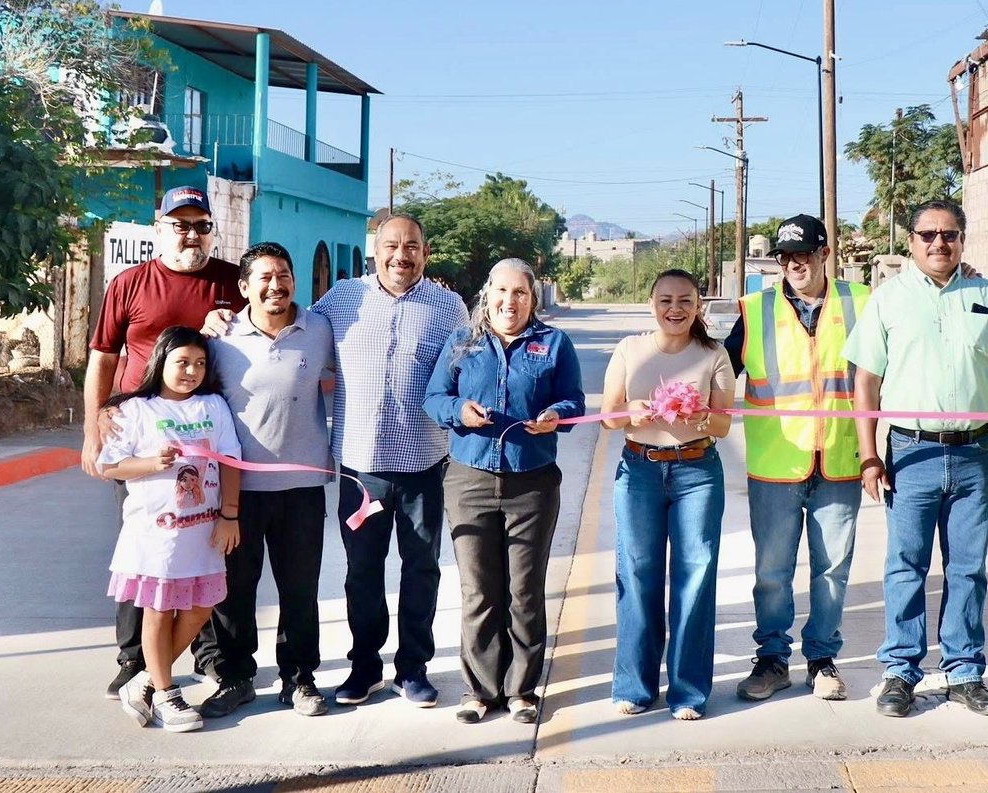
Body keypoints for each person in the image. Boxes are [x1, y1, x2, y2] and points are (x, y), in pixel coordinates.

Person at [844, 199, 988, 718]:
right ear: (911, 242)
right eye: (927, 234)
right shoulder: (888, 299)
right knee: (905, 566)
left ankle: (964, 672)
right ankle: (900, 672)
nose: (938, 243)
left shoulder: (986, 295)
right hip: (911, 452)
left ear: (962, 239)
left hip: (973, 452)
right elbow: (866, 381)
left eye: (949, 234)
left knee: (968, 568)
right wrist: (869, 455)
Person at [84, 184, 242, 700]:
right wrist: (93, 428)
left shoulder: (231, 282)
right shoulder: (130, 283)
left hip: (206, 439)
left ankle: (208, 657)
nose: (191, 235)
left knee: (205, 550)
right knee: (145, 556)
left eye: (201, 226)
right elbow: (103, 359)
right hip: (141, 442)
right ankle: (134, 661)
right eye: (180, 225)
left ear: (212, 231)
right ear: (160, 228)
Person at [311, 214, 469, 708]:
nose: (402, 255)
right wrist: (227, 320)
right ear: (375, 251)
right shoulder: (341, 299)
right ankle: (365, 666)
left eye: (412, 246)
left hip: (424, 463)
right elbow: (293, 332)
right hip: (361, 470)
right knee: (362, 570)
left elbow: (469, 370)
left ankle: (413, 668)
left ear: (425, 252)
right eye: (392, 246)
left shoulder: (449, 307)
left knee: (421, 567)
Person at [424, 258, 586, 724]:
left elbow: (574, 400)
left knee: (525, 590)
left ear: (532, 299)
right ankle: (479, 690)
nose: (509, 301)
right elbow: (434, 398)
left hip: (532, 482)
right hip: (469, 480)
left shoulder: (553, 343)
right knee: (479, 590)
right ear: (487, 293)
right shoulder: (463, 341)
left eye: (520, 293)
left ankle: (521, 691)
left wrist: (556, 414)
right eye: (501, 291)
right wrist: (458, 409)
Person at [723, 215, 868, 703]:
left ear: (825, 253)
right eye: (785, 257)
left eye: (803, 254)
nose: (794, 264)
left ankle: (822, 660)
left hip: (841, 460)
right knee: (772, 573)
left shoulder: (862, 302)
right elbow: (719, 370)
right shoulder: (755, 310)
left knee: (832, 571)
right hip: (776, 464)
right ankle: (772, 660)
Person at [197, 243, 336, 719]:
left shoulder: (319, 329)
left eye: (284, 275)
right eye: (265, 277)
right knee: (235, 589)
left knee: (300, 588)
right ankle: (235, 676)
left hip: (302, 487)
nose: (276, 285)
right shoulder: (220, 338)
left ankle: (299, 678)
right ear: (244, 287)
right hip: (238, 490)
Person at [601, 269, 735, 720]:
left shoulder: (714, 354)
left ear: (698, 306)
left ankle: (688, 691)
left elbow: (723, 425)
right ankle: (635, 686)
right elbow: (608, 416)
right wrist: (630, 412)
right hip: (638, 471)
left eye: (685, 301)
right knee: (637, 573)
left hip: (697, 472)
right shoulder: (629, 349)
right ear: (651, 303)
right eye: (665, 300)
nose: (675, 309)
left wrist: (700, 415)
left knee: (694, 576)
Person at [99, 326, 242, 733]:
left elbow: (231, 461)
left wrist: (229, 515)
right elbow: (110, 465)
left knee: (200, 608)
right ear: (160, 361)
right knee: (159, 610)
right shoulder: (135, 410)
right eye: (182, 362)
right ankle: (165, 693)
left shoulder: (213, 405)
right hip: (156, 535)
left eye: (199, 363)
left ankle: (145, 679)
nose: (191, 371)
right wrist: (151, 464)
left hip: (203, 533)